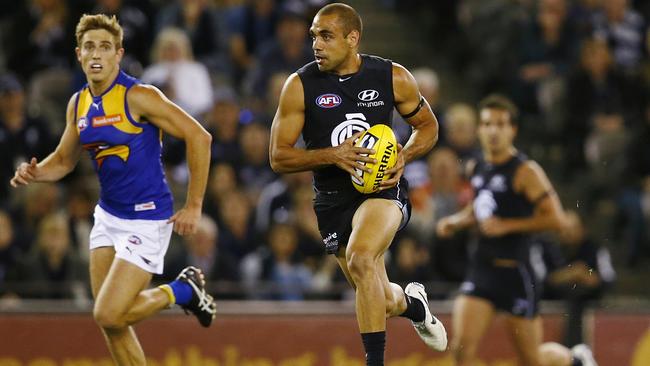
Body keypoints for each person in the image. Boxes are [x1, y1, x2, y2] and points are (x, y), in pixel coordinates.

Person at [9, 14, 216, 365]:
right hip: (107, 216)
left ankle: (182, 290)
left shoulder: (140, 96)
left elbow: (200, 136)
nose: (96, 53)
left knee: (107, 313)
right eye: (89, 46)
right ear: (78, 54)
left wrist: (194, 205)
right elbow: (63, 159)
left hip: (148, 219)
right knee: (113, 323)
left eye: (105, 47)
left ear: (118, 55)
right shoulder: (78, 104)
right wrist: (34, 172)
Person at [269, 4, 447, 365]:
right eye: (314, 36)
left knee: (361, 257)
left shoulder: (392, 76)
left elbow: (427, 126)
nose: (316, 44)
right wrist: (332, 155)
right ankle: (414, 306)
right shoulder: (299, 86)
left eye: (326, 35)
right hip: (333, 200)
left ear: (353, 39)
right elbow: (278, 156)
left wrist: (404, 157)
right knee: (381, 299)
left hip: (381, 190)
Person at [436, 94, 597, 366]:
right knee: (461, 352)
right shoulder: (477, 166)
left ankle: (576, 359)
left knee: (531, 360)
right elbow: (482, 205)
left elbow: (557, 220)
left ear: (513, 130)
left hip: (516, 273)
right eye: (487, 124)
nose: (493, 131)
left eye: (501, 124)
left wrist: (508, 226)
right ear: (480, 130)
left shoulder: (525, 171)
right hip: (482, 270)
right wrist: (458, 220)